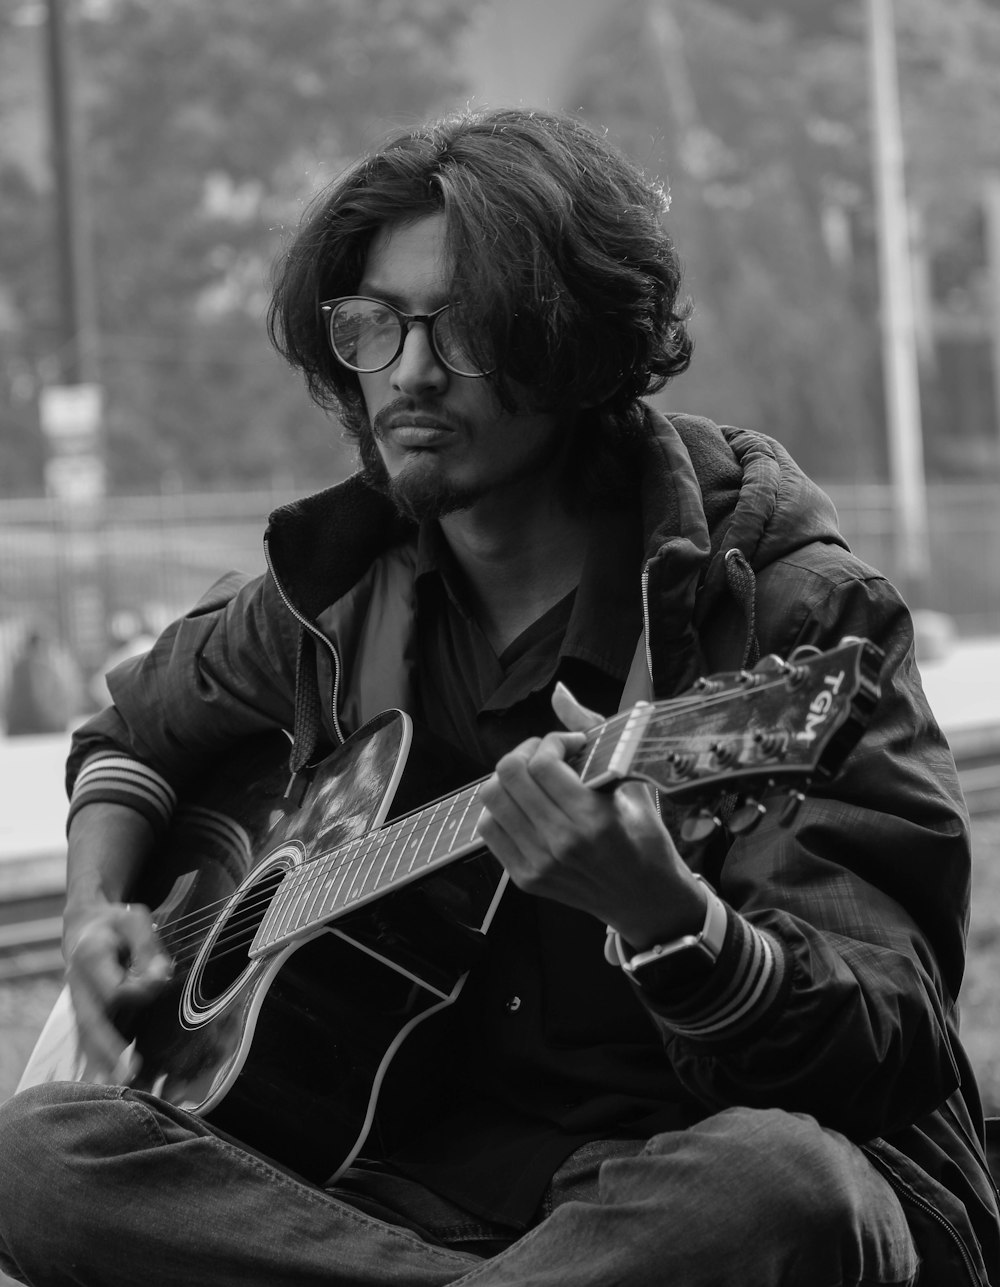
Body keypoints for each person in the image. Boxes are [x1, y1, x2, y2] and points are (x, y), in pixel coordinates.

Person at [0, 107, 996, 1287]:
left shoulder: (785, 617)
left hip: (668, 1178)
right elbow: (132, 733)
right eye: (373, 327)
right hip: (392, 1186)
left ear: (575, 343)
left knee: (778, 1185)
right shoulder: (331, 591)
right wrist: (93, 911)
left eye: (461, 328)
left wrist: (675, 924)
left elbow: (890, 1038)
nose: (408, 372)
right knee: (37, 1158)